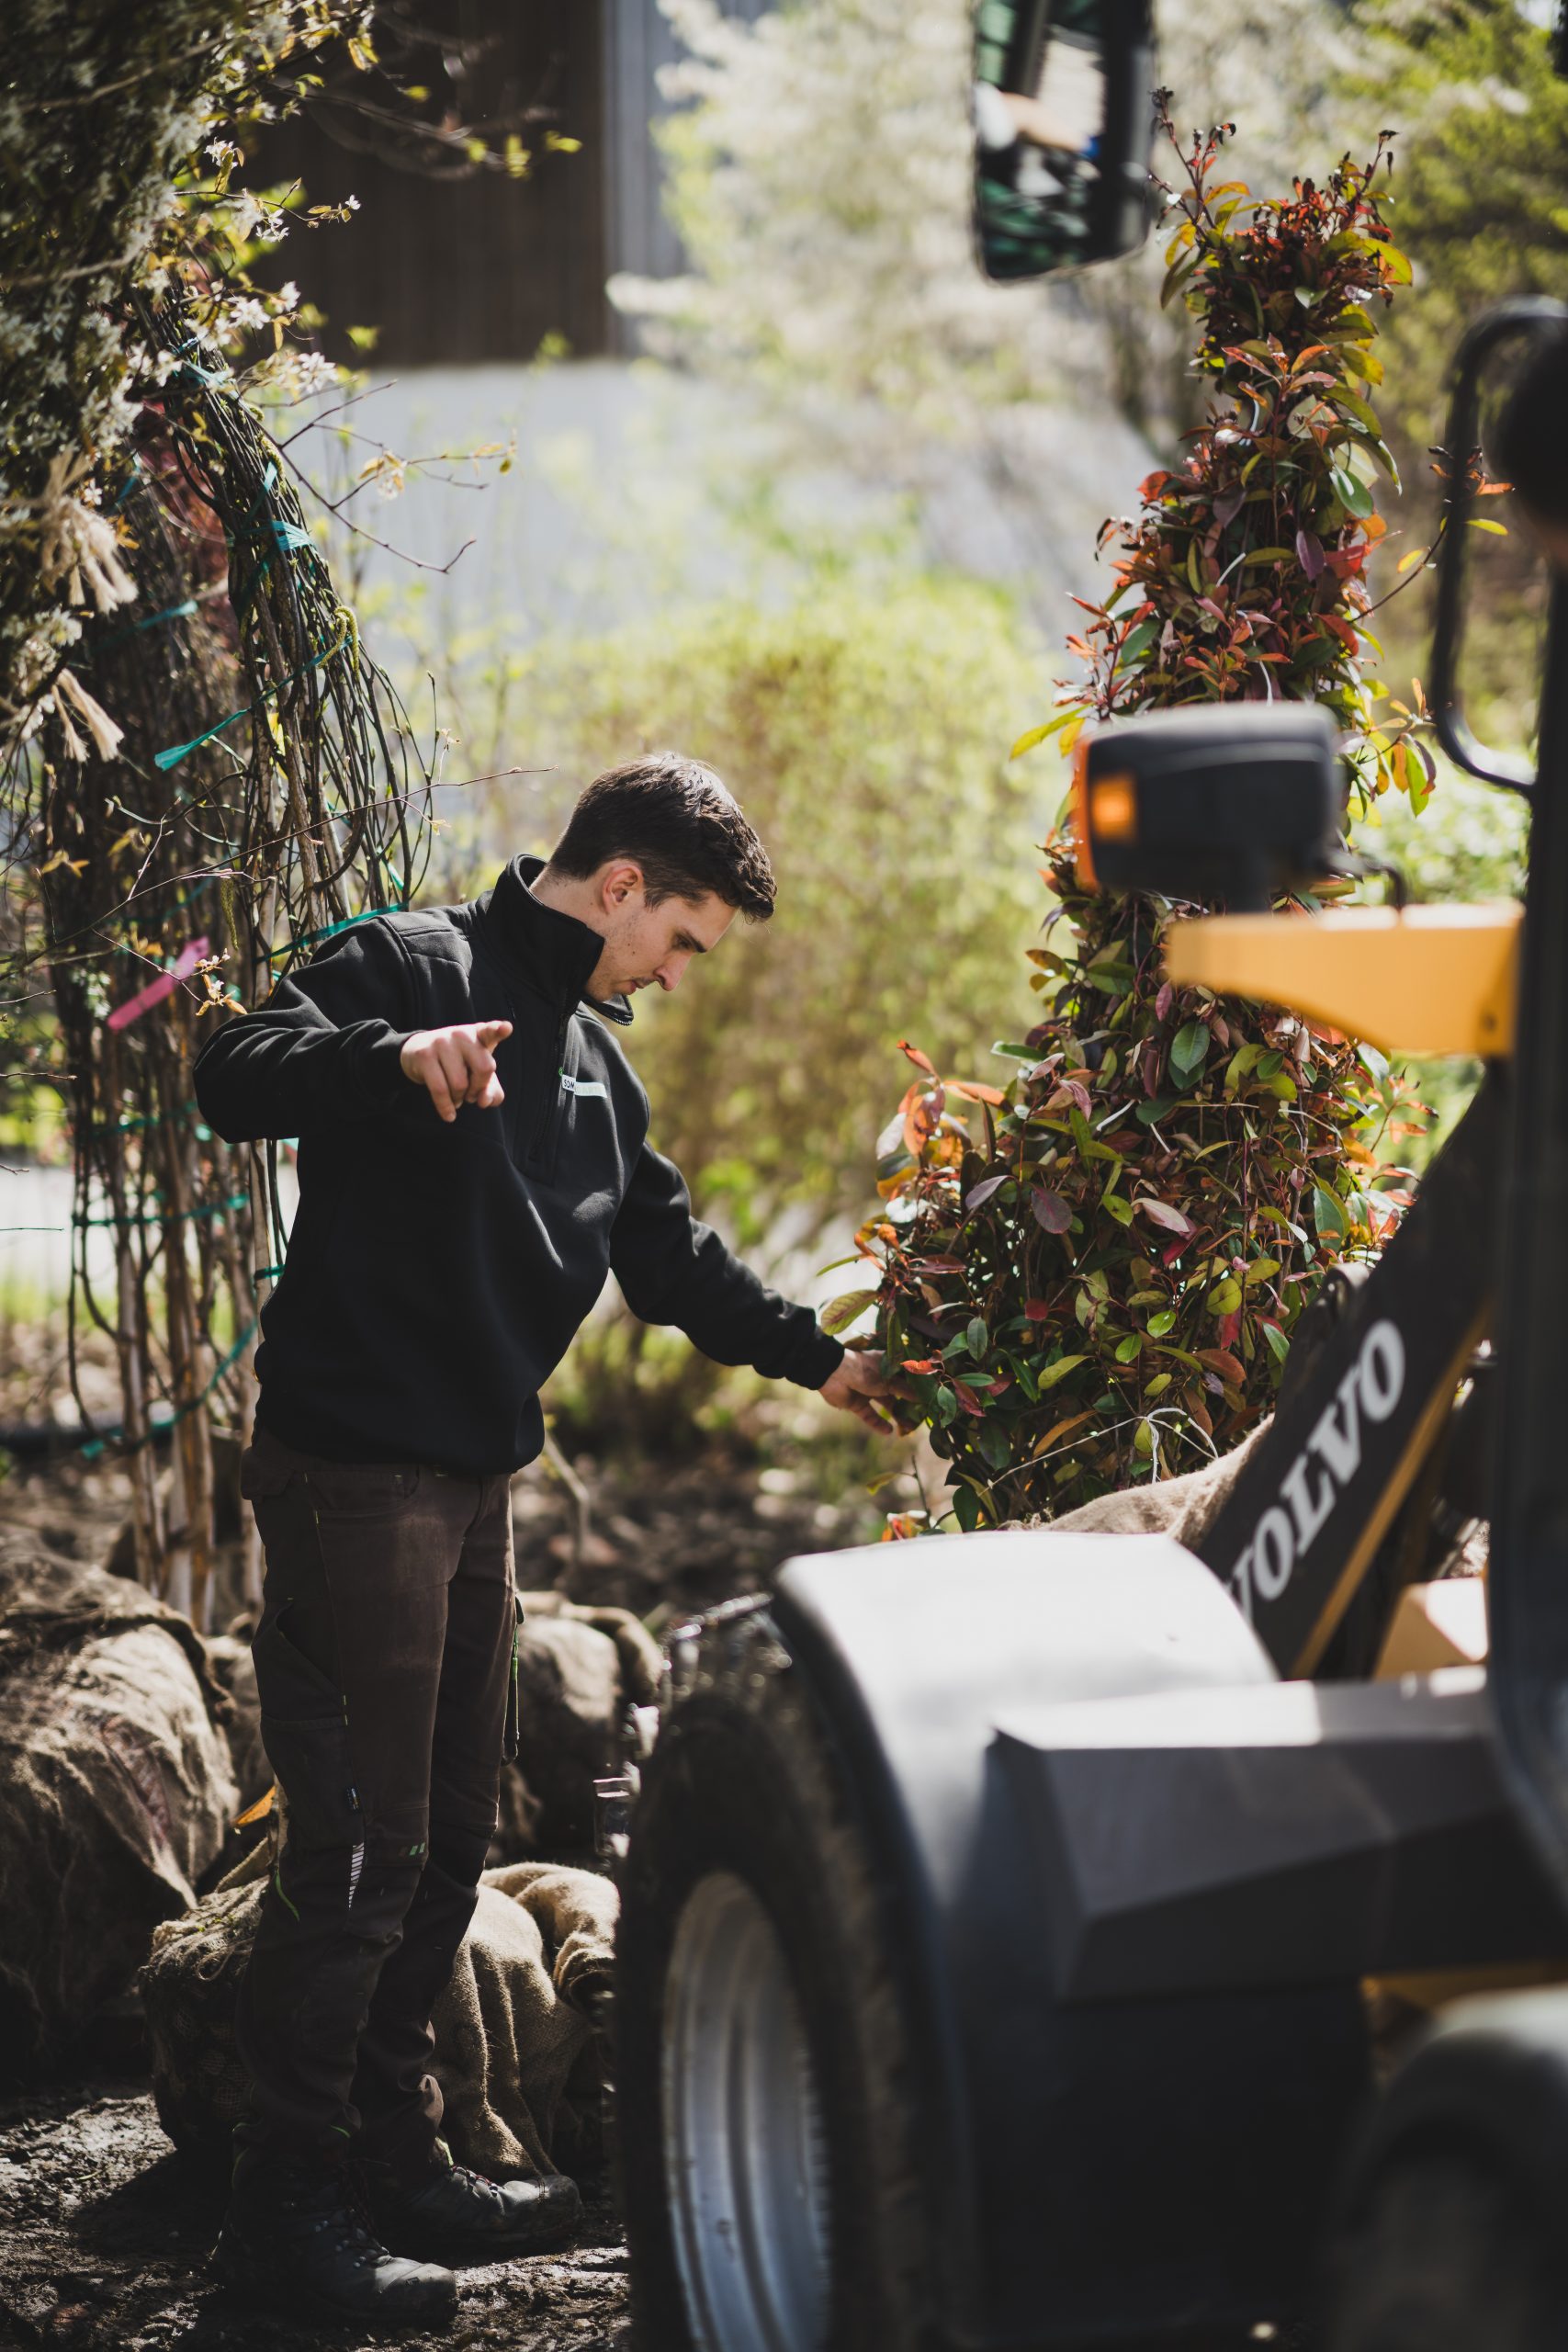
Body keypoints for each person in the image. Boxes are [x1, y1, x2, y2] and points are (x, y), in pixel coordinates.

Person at [195, 753, 902, 2325]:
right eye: (684, 937)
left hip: (469, 1488)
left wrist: (821, 1357)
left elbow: (668, 1257)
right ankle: (279, 2217)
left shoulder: (596, 1061)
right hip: (352, 1478)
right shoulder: (410, 962)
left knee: (446, 1840)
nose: (680, 970)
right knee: (361, 1850)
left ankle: (391, 2157)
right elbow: (232, 1066)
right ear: (624, 883)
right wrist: (393, 1060)